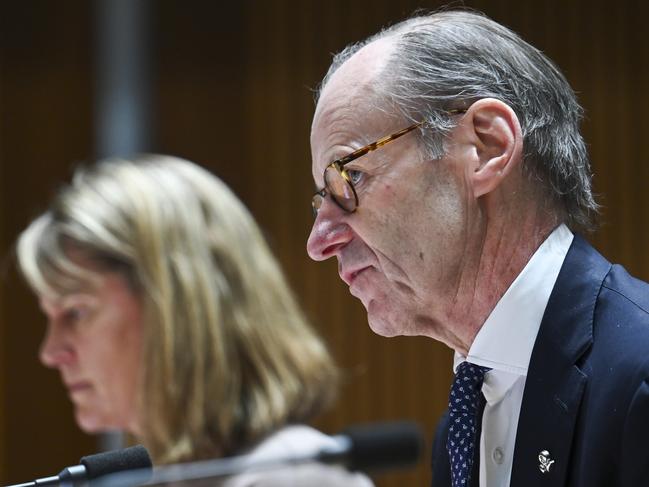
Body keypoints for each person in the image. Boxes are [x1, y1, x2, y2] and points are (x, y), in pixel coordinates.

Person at [306, 8, 649, 487]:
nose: (318, 243)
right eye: (322, 199)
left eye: (349, 177)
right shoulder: (464, 423)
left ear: (487, 147)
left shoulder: (640, 377)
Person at [16, 155, 373, 486]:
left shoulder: (296, 476)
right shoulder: (172, 475)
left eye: (76, 313)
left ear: (175, 305)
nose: (51, 352)